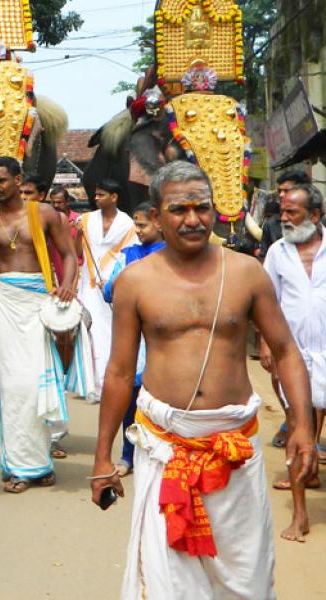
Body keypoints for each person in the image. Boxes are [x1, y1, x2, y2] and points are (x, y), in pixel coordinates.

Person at [90, 160, 316, 599]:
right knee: (168, 583)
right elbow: (119, 372)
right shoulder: (134, 283)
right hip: (166, 448)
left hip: (235, 449)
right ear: (155, 216)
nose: (192, 219)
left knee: (246, 579)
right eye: (178, 209)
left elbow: (286, 351)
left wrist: (302, 426)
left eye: (202, 207)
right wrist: (102, 458)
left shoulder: (247, 273)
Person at [0, 156, 78, 493]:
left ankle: (41, 462)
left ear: (19, 180)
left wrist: (68, 285)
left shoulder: (45, 214)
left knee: (38, 386)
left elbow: (71, 255)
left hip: (38, 304)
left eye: (3, 180)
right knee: (12, 387)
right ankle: (19, 467)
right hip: (4, 305)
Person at [260, 182, 325, 542]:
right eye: (282, 212)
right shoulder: (277, 253)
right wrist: (268, 345)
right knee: (298, 430)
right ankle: (300, 515)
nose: (283, 218)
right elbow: (267, 301)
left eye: (292, 212)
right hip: (294, 355)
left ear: (314, 216)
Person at [100, 202, 166, 479]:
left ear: (158, 223)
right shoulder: (127, 255)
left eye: (142, 225)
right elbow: (107, 291)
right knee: (129, 399)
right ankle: (127, 455)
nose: (137, 231)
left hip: (163, 340)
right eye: (135, 225)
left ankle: (160, 453)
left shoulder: (171, 256)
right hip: (133, 338)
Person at [78, 178, 138, 402]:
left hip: (113, 282)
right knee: (89, 330)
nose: (96, 198)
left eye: (101, 195)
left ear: (114, 197)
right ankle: (90, 384)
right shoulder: (85, 220)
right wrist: (76, 234)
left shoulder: (128, 223)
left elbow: (128, 254)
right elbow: (76, 250)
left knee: (108, 332)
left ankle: (106, 382)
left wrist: (114, 279)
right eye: (95, 195)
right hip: (88, 281)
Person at [261, 171, 310, 259]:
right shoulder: (270, 225)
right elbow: (265, 258)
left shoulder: (319, 222)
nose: (281, 195)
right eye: (279, 191)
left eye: (286, 191)